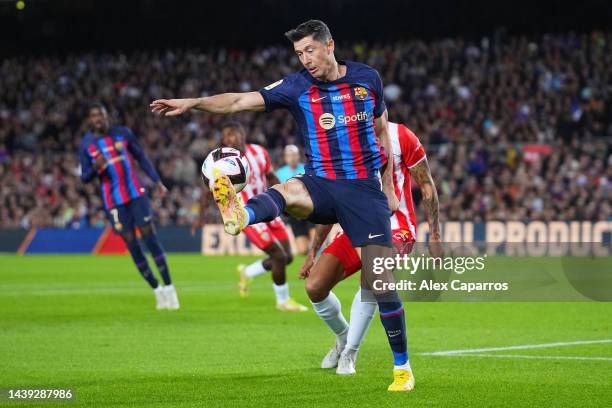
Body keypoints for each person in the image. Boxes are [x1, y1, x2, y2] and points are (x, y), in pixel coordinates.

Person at [151, 19, 423, 391]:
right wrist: (194, 103)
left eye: (310, 50)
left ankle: (402, 369)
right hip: (321, 183)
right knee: (289, 189)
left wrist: (389, 185)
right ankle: (239, 214)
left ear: (330, 45)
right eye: (299, 53)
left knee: (379, 279)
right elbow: (238, 101)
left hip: (364, 191)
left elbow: (380, 130)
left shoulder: (367, 79)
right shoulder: (296, 86)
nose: (305, 59)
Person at [300, 122, 441, 382]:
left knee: (372, 280)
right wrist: (314, 250)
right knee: (315, 287)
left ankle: (350, 354)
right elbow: (333, 198)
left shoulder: (402, 136)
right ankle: (344, 338)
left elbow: (427, 184)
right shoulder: (343, 139)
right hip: (356, 227)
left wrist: (434, 234)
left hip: (396, 228)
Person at [194, 122, 308, 312]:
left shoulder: (259, 152)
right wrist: (200, 216)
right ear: (224, 140)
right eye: (228, 136)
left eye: (235, 134)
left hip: (268, 207)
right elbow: (209, 191)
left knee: (287, 257)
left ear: (243, 135)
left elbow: (271, 177)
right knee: (278, 256)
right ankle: (283, 301)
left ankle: (247, 272)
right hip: (247, 214)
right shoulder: (221, 162)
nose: (232, 139)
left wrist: (286, 199)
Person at [79, 103, 179, 310]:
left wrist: (156, 181)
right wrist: (95, 169)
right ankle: (157, 290)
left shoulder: (122, 133)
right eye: (94, 116)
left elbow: (141, 156)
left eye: (101, 114)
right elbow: (85, 178)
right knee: (132, 245)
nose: (98, 119)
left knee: (150, 237)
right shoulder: (86, 144)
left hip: (135, 194)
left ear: (107, 116)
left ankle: (170, 288)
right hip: (113, 202)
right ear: (90, 120)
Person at [275, 145, 313, 255]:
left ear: (298, 156)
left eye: (294, 155)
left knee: (316, 239)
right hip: (294, 214)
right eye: (289, 155)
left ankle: (318, 266)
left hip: (310, 209)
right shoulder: (279, 174)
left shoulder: (306, 169)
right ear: (285, 158)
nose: (292, 158)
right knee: (302, 250)